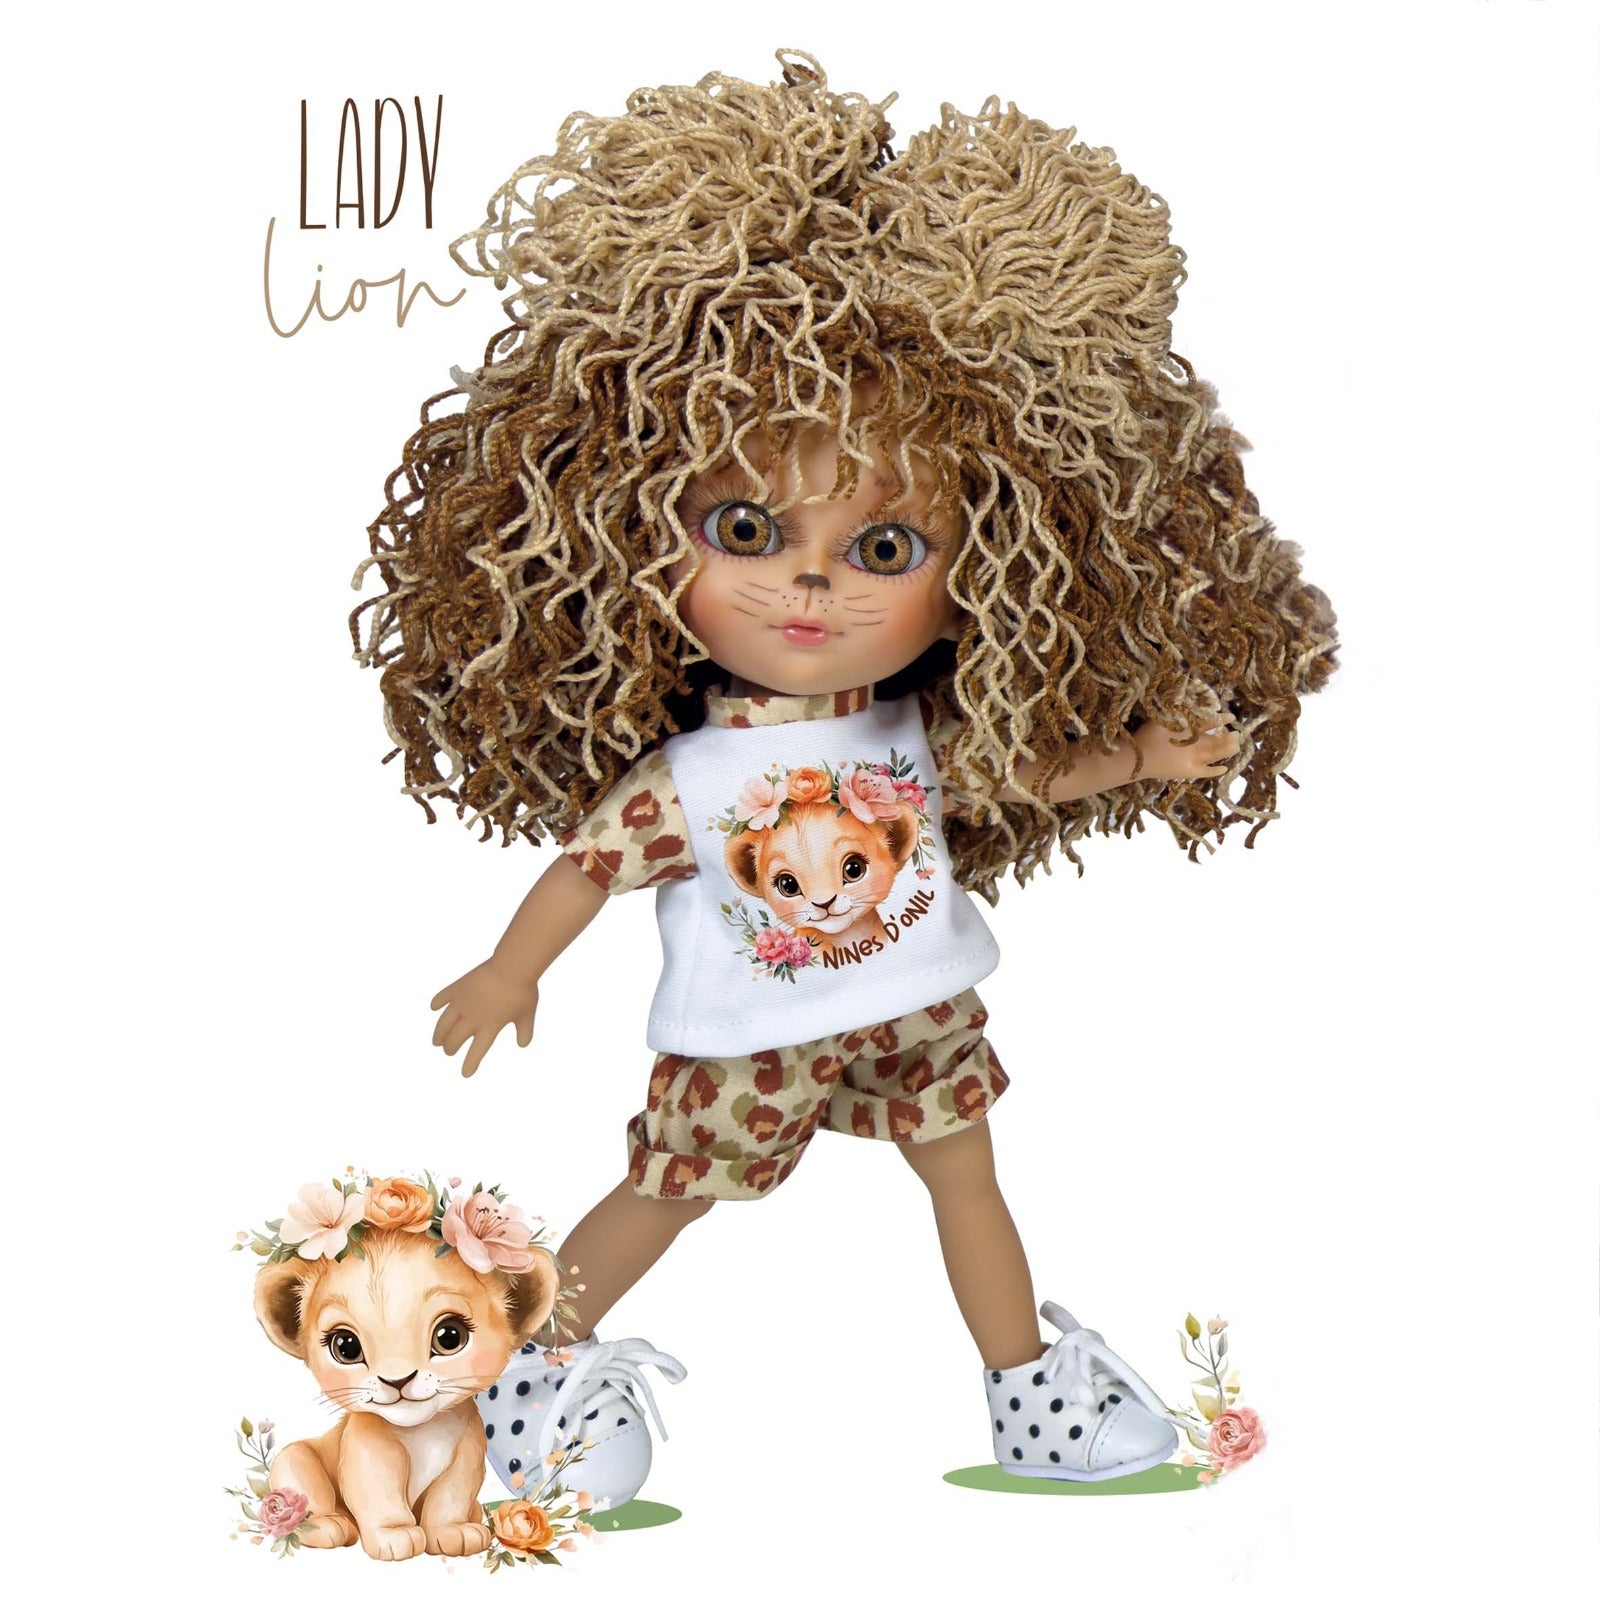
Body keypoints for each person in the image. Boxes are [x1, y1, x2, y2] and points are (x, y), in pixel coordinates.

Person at [353, 51, 1337, 1502]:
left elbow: (1022, 774)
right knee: (667, 1193)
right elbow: (585, 867)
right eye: (748, 531)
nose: (811, 584)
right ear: (635, 536)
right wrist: (512, 970)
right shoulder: (693, 776)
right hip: (745, 1037)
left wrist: (1149, 752)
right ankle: (535, 1367)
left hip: (918, 1006)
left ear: (991, 566)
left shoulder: (908, 735)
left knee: (968, 1178)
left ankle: (1030, 1391)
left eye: (885, 548)